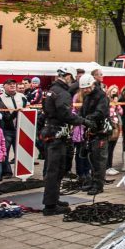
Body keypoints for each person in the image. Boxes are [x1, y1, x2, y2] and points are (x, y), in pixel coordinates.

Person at [39, 68, 77, 216]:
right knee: (55, 170)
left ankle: (54, 199)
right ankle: (50, 205)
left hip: (51, 132)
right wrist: (83, 121)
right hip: (57, 134)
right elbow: (65, 114)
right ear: (67, 77)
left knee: (57, 169)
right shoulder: (62, 93)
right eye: (72, 79)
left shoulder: (52, 90)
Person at [78, 73, 111, 196]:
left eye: (87, 87)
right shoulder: (88, 96)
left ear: (92, 84)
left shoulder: (101, 96)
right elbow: (83, 109)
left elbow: (100, 112)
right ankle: (93, 181)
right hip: (91, 131)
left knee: (99, 159)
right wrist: (80, 118)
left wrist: (86, 119)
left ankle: (98, 185)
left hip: (101, 131)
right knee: (92, 158)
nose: (85, 90)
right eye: (83, 88)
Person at [0, 79, 27, 177]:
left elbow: (27, 109)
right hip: (7, 128)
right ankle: (7, 171)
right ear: (4, 86)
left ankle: (23, 171)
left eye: (13, 84)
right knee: (5, 150)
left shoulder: (22, 96)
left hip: (21, 128)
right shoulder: (0, 98)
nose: (12, 85)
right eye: (9, 84)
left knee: (21, 151)